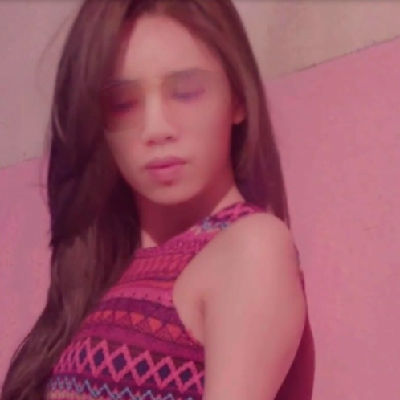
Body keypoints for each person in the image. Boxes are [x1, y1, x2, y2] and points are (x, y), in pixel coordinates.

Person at [1, 0, 306, 399]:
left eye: (186, 92)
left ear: (238, 98)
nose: (156, 128)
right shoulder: (103, 273)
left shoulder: (250, 247)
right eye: (123, 104)